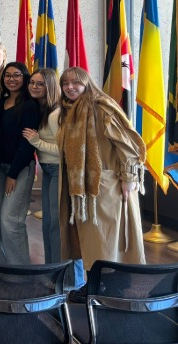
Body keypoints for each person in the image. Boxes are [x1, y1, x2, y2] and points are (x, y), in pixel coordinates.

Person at [59, 68, 144, 300]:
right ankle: (101, 284)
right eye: (65, 83)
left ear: (87, 83)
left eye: (76, 83)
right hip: (84, 187)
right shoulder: (73, 110)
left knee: (106, 240)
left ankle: (105, 287)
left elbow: (128, 145)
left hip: (105, 186)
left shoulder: (101, 106)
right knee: (93, 239)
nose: (70, 87)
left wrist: (129, 178)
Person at [23, 68, 84, 288]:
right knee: (49, 224)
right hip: (48, 169)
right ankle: (53, 273)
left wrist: (37, 142)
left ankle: (71, 280)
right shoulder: (43, 109)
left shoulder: (56, 113)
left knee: (60, 226)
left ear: (50, 86)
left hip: (60, 169)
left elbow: (67, 149)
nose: (34, 87)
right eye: (31, 83)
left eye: (40, 84)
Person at [0, 62, 39, 265]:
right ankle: (4, 261)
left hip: (19, 169)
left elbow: (27, 144)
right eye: (8, 75)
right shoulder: (0, 102)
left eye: (16, 75)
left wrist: (13, 173)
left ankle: (20, 268)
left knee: (11, 220)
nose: (11, 79)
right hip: (0, 168)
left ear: (24, 77)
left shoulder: (30, 105)